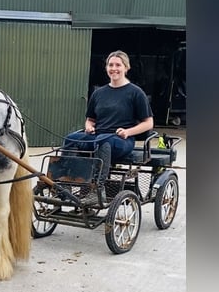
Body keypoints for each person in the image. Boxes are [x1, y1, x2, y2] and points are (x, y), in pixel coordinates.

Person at [62, 50, 154, 203]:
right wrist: (89, 126)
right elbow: (90, 119)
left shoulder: (136, 93)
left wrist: (128, 132)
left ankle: (97, 190)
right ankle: (65, 185)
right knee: (70, 138)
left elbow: (148, 123)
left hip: (121, 141)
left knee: (102, 141)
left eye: (118, 65)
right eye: (110, 65)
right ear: (106, 68)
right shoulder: (99, 93)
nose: (114, 68)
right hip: (97, 136)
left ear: (126, 68)